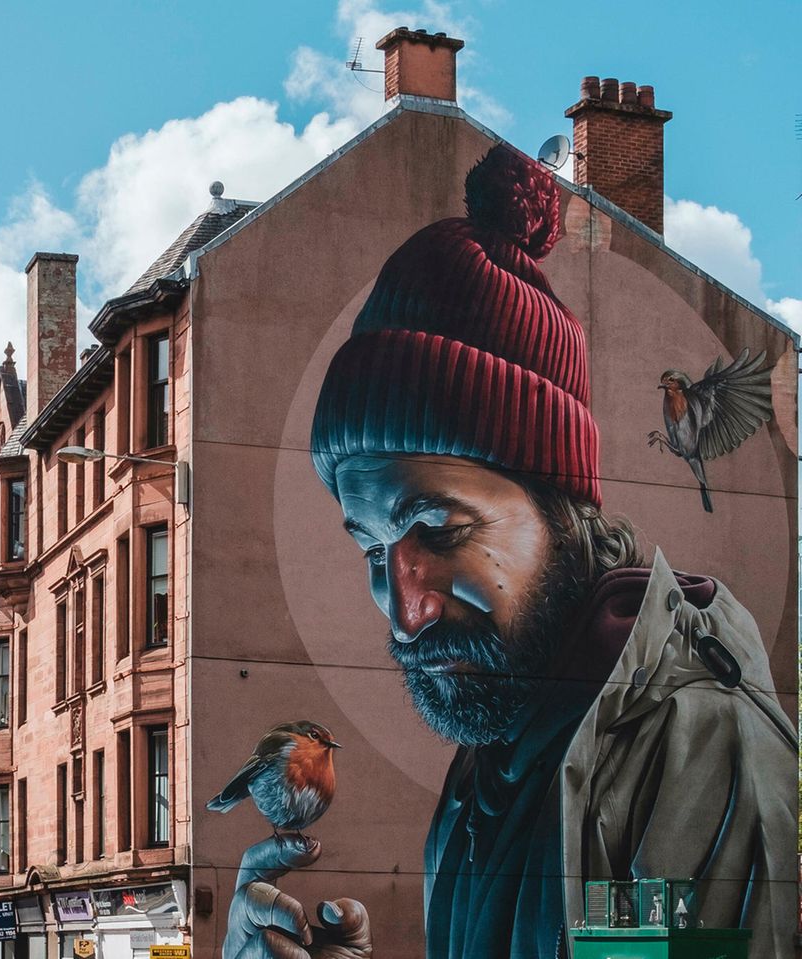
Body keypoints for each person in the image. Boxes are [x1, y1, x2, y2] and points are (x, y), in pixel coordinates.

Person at [221, 145, 797, 958]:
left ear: (562, 507)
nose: (406, 605)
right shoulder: (494, 758)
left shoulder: (699, 745)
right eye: (372, 551)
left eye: (442, 529)